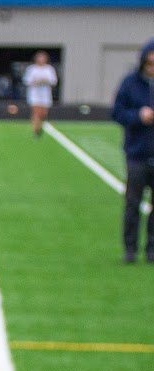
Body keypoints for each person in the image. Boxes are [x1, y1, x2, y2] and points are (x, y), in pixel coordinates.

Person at [111, 40, 154, 263]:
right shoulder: (130, 83)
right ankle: (130, 249)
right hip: (137, 153)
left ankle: (152, 250)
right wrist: (138, 116)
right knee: (133, 204)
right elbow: (117, 112)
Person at [23, 51, 57, 139]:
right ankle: (36, 130)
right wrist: (36, 81)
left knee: (43, 113)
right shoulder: (32, 69)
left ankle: (40, 125)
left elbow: (53, 81)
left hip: (45, 95)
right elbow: (27, 81)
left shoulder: (49, 69)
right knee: (36, 112)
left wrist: (45, 81)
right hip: (34, 94)